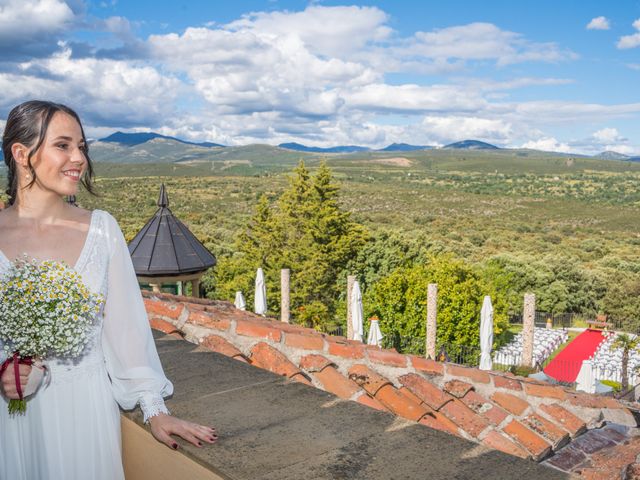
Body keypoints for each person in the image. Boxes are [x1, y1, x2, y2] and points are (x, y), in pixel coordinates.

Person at [0, 100, 217, 479]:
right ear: (22, 153)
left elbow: (126, 329)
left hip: (83, 412)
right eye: (63, 145)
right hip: (10, 419)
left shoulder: (102, 230)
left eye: (82, 146)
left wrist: (155, 410)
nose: (79, 158)